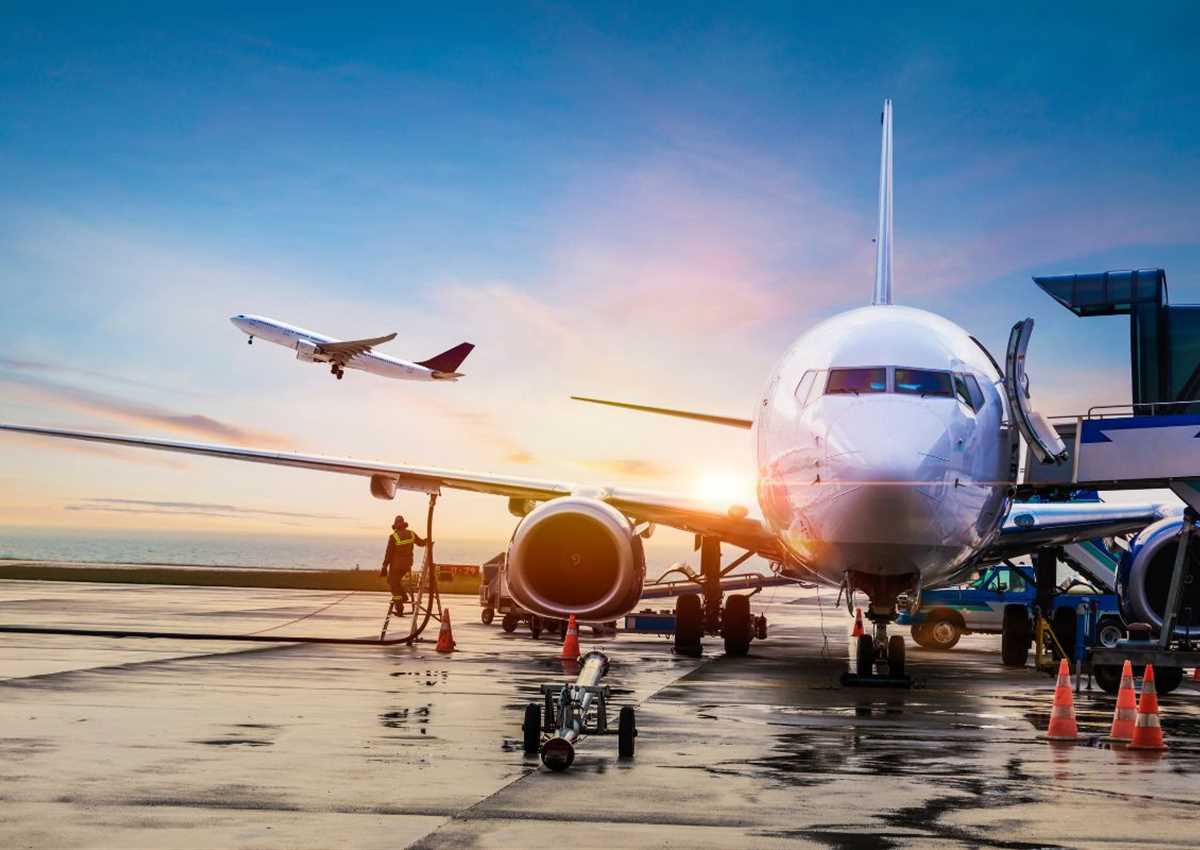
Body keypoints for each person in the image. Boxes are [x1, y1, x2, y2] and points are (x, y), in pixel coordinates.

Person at [380, 515, 427, 616]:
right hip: (407, 565)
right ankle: (404, 596)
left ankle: (399, 608)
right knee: (396, 582)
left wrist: (384, 566)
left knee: (392, 583)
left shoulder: (393, 537)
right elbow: (421, 543)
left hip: (396, 566)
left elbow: (389, 553)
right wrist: (428, 540)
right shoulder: (411, 534)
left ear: (396, 526)